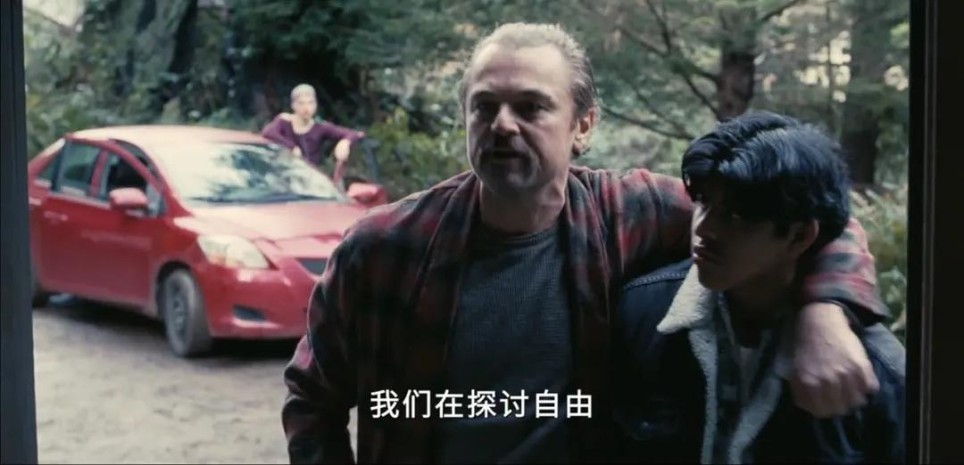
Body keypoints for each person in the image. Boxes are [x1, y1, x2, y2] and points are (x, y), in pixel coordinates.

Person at [282, 23, 889, 464]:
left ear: (583, 126)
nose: (502, 125)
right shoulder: (385, 247)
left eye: (531, 107)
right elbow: (313, 397)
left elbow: (809, 216)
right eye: (484, 107)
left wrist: (826, 309)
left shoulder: (628, 212)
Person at [613, 112, 905, 463]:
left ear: (799, 236)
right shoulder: (643, 311)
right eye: (703, 201)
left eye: (737, 215)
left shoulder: (877, 371)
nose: (704, 229)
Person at [261, 83, 366, 181]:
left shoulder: (320, 127)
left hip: (312, 179)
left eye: (310, 103)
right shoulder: (284, 122)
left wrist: (346, 142)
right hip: (286, 175)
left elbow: (355, 133)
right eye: (301, 103)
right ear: (293, 105)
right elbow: (267, 132)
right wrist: (292, 147)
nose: (306, 108)